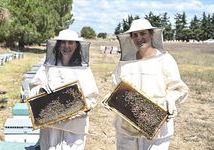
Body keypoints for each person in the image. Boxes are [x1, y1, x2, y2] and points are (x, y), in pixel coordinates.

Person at [111, 18, 189, 150]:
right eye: (135, 35)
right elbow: (116, 87)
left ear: (151, 34)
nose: (139, 38)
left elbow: (179, 89)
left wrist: (171, 99)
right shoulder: (125, 64)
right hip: (127, 129)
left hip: (156, 131)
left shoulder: (165, 60)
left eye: (143, 33)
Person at [29, 29, 98, 150]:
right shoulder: (47, 68)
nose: (67, 46)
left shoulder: (84, 70)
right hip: (51, 126)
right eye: (63, 42)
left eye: (71, 43)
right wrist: (40, 90)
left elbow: (92, 98)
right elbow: (31, 92)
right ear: (58, 44)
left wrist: (81, 109)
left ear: (77, 45)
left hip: (75, 128)